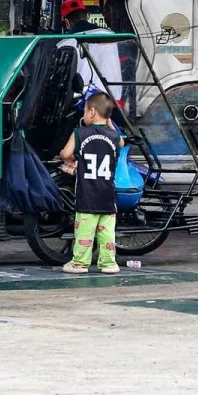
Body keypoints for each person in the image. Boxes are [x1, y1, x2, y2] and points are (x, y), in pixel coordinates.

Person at [59, 91, 122, 275]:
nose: (83, 115)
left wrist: (71, 158)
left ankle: (79, 263)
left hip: (87, 194)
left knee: (84, 232)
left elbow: (64, 153)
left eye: (85, 111)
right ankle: (109, 264)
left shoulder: (80, 133)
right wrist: (109, 123)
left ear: (92, 112)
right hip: (108, 194)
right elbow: (121, 143)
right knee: (106, 232)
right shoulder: (114, 138)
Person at [57, 0, 124, 102]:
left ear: (66, 22)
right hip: (114, 100)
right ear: (87, 15)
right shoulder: (111, 36)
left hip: (84, 103)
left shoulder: (64, 44)